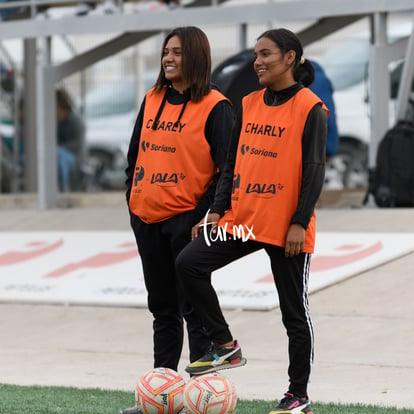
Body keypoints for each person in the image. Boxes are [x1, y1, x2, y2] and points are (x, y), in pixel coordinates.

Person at [176, 28, 328, 414]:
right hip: (244, 219)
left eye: (266, 54)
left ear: (290, 58)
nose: (257, 62)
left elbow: (314, 170)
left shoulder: (310, 106)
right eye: (255, 55)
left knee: (295, 312)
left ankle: (298, 396)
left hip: (286, 227)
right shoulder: (247, 103)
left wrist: (299, 222)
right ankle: (224, 344)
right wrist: (216, 211)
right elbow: (231, 163)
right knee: (189, 263)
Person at [125, 26, 235, 374]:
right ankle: (163, 393)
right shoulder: (153, 97)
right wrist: (133, 200)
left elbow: (227, 170)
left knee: (193, 310)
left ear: (197, 57)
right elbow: (134, 157)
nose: (168, 59)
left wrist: (203, 216)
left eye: (178, 52)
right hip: (146, 218)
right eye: (166, 52)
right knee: (161, 308)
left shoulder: (217, 107)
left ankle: (200, 394)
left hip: (187, 221)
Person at [56, 87, 86, 192]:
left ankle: (65, 189)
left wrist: (59, 148)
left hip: (75, 157)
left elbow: (78, 145)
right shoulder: (56, 122)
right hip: (60, 156)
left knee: (59, 155)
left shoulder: (75, 121)